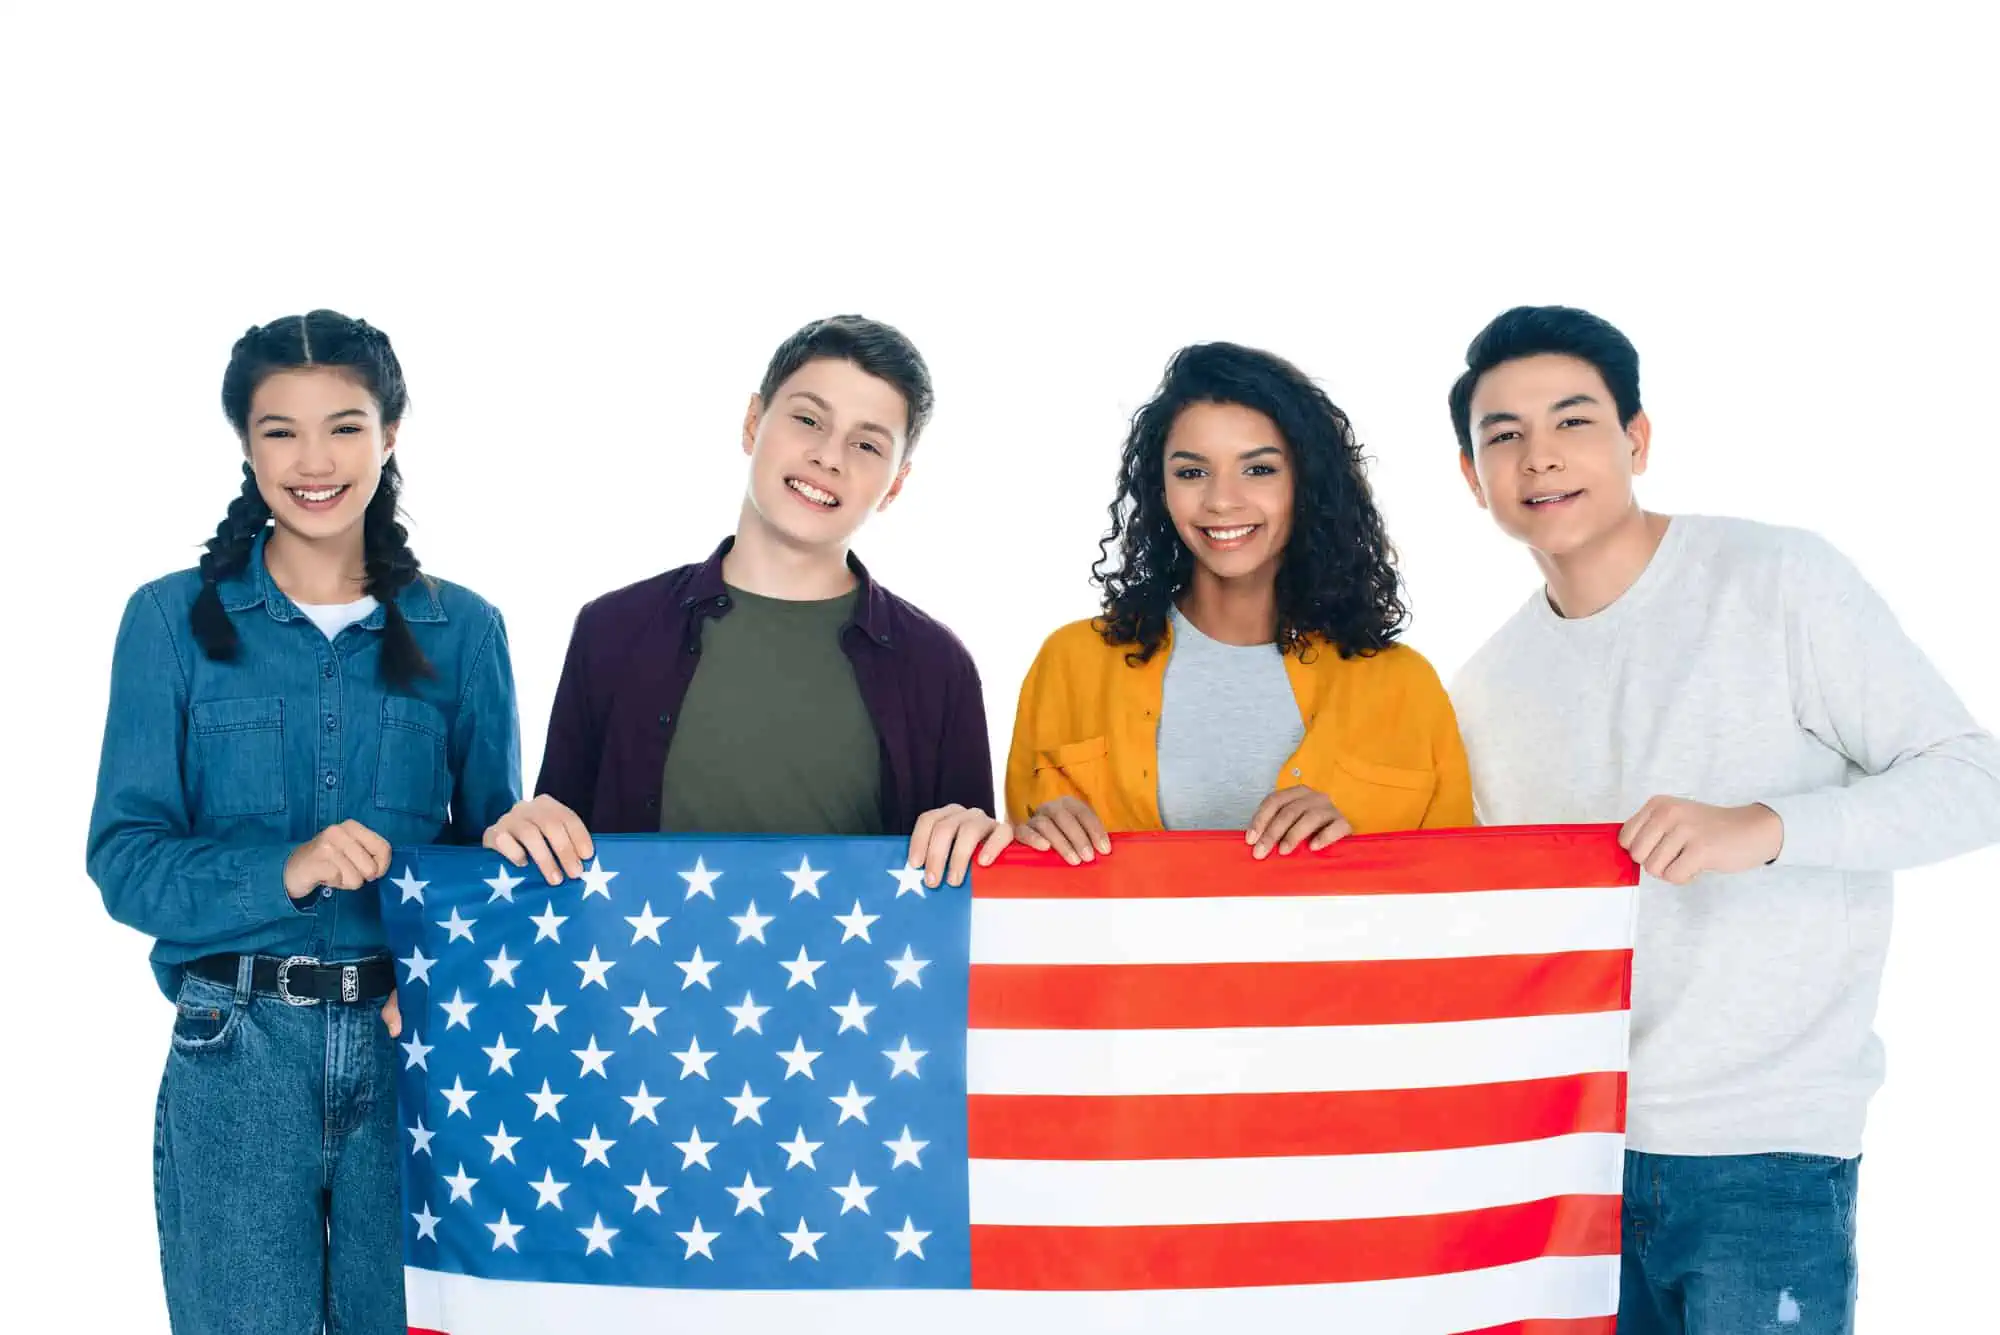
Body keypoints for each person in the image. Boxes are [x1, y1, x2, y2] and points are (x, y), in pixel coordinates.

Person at [1445, 304, 2000, 1334]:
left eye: (1570, 422)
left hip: (1767, 1151)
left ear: (1635, 439)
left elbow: (1974, 779)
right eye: (1501, 437)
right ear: (1473, 481)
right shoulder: (1481, 690)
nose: (1538, 457)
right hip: (1570, 1161)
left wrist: (1765, 826)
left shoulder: (1775, 579)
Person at [85, 310, 522, 1333]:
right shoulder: (169, 621)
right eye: (280, 430)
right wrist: (287, 868)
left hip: (407, 1049)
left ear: (392, 433)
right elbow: (123, 858)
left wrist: (446, 986)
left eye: (345, 426)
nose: (313, 460)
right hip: (236, 1049)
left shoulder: (467, 632)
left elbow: (489, 867)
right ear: (244, 442)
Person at [486, 314, 1008, 886]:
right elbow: (553, 858)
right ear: (753, 422)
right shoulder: (612, 631)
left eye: (866, 444)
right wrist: (528, 828)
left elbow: (965, 897)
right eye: (808, 419)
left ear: (897, 483)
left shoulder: (938, 668)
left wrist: (978, 838)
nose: (829, 457)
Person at [1007, 341, 1472, 861]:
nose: (1222, 500)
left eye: (1259, 469)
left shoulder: (1407, 688)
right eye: (1191, 471)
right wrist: (1030, 843)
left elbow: (1453, 904)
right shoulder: (1069, 665)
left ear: (1308, 484)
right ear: (1160, 489)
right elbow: (1026, 899)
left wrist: (1353, 854)